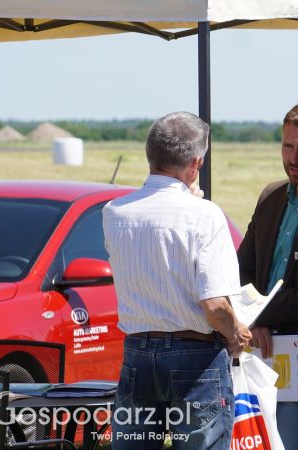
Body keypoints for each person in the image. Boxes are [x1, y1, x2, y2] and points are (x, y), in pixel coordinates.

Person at [103, 112, 251, 450]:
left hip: (138, 351)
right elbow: (214, 305)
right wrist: (235, 332)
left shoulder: (114, 212)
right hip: (196, 354)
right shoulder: (205, 215)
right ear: (196, 163)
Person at [237, 101, 298, 450]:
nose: (294, 157)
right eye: (288, 146)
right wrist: (251, 321)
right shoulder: (271, 196)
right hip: (257, 353)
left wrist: (260, 313)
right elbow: (240, 270)